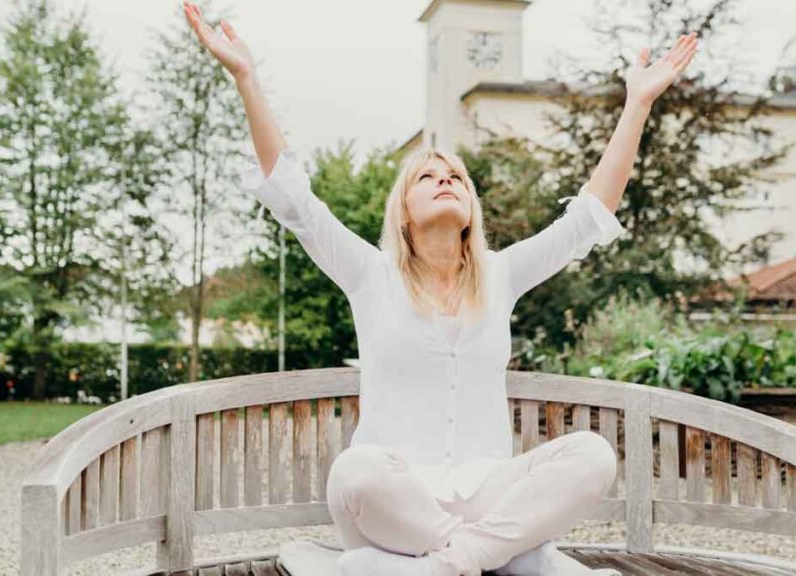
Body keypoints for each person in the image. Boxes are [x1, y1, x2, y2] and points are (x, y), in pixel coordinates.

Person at [182, 3, 698, 575]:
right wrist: (246, 77)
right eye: (426, 177)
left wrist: (639, 103)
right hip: (392, 501)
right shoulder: (369, 273)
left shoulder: (501, 275)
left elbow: (588, 217)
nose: (444, 179)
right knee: (357, 469)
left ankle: (446, 564)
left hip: (486, 498)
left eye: (455, 176)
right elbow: (295, 199)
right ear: (404, 214)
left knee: (593, 454)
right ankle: (501, 558)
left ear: (471, 211)